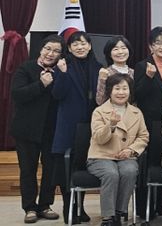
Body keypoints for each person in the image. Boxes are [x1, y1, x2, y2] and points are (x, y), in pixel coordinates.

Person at [10, 34, 64, 224]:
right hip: (27, 130)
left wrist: (61, 76)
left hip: (51, 130)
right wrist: (41, 84)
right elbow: (17, 94)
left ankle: (45, 205)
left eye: (56, 51)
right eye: (48, 49)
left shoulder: (61, 71)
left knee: (50, 170)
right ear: (41, 49)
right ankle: (30, 208)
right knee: (28, 170)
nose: (51, 53)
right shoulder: (26, 68)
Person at [51, 31, 102, 223]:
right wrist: (63, 74)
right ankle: (68, 208)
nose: (80, 47)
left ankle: (80, 206)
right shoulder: (63, 66)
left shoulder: (98, 67)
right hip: (68, 125)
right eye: (75, 44)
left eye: (83, 43)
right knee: (66, 169)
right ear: (70, 48)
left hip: (90, 126)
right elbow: (57, 94)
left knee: (82, 166)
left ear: (90, 46)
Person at [87, 74, 149, 226]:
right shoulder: (99, 111)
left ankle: (119, 213)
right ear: (110, 91)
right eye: (117, 88)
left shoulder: (136, 112)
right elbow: (99, 138)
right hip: (101, 157)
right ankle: (108, 218)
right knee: (111, 173)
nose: (121, 92)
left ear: (130, 91)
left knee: (129, 171)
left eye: (124, 88)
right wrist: (111, 125)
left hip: (126, 156)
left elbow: (143, 136)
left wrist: (131, 150)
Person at [134, 26, 162, 218]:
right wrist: (149, 77)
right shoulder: (143, 66)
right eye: (158, 43)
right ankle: (144, 207)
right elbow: (137, 94)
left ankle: (160, 203)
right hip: (150, 122)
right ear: (151, 46)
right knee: (148, 165)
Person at [96, 35, 134, 105]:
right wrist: (102, 80)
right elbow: (100, 101)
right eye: (116, 49)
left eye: (123, 48)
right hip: (111, 111)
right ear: (109, 54)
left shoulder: (134, 72)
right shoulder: (106, 73)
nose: (120, 52)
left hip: (131, 111)